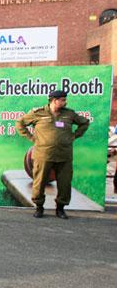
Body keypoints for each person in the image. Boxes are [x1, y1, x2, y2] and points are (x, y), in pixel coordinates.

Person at [15, 89, 90, 219]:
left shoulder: (69, 114)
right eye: (62, 100)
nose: (65, 102)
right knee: (39, 183)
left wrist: (74, 135)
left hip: (64, 156)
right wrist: (32, 138)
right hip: (43, 155)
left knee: (65, 184)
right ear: (54, 101)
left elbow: (85, 122)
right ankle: (39, 207)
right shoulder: (38, 113)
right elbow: (20, 123)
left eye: (65, 100)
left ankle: (60, 208)